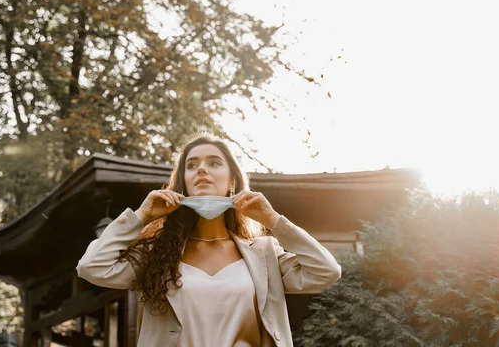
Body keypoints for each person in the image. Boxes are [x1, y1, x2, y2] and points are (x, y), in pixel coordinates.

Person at [76, 132, 341, 347]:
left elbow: (326, 271)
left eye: (214, 163)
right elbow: (92, 267)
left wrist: (272, 220)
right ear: (183, 182)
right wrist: (141, 216)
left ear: (232, 181)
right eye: (192, 165)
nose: (201, 170)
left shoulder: (264, 253)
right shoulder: (155, 255)